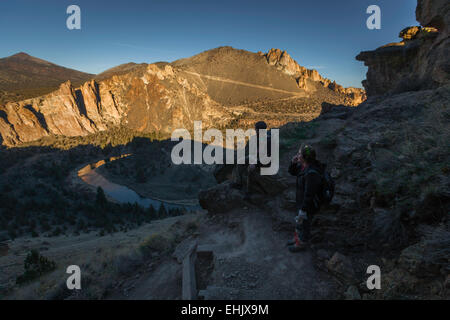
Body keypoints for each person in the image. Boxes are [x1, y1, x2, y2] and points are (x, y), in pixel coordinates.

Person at [287, 144, 324, 252]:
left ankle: (301, 244)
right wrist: (293, 162)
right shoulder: (304, 166)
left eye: (299, 154)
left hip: (308, 205)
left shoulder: (311, 173)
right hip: (301, 201)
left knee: (305, 225)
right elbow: (292, 172)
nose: (297, 155)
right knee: (299, 223)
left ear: (304, 157)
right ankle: (297, 239)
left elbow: (309, 194)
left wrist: (303, 210)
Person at [231, 121, 274, 199]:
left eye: (256, 129)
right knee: (240, 161)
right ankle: (238, 183)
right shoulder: (256, 138)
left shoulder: (269, 141)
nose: (255, 130)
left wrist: (255, 163)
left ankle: (248, 191)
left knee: (250, 169)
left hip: (264, 162)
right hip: (255, 158)